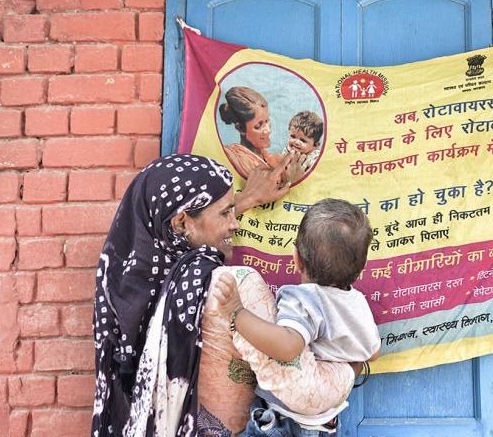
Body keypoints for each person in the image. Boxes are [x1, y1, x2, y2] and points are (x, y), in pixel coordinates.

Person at [91, 154, 356, 437]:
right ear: (181, 222)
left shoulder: (122, 284)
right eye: (225, 213)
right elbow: (302, 392)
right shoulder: (235, 286)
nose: (236, 224)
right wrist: (351, 366)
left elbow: (191, 228)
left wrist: (247, 199)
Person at [214, 199, 381, 437]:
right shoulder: (358, 302)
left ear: (297, 259)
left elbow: (288, 347)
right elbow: (373, 352)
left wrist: (237, 312)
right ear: (363, 266)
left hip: (286, 423)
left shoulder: (303, 299)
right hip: (326, 424)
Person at [219, 86, 282, 179]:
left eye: (267, 121)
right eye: (258, 126)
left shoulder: (269, 157)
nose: (268, 130)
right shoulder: (232, 157)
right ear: (241, 128)